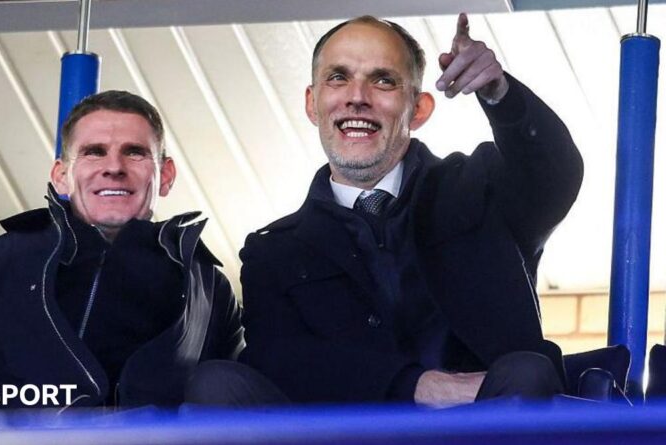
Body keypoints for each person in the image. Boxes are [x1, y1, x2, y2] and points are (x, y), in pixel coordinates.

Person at [186, 13, 582, 407]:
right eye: (338, 77)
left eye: (383, 80)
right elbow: (279, 361)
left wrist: (500, 93)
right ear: (312, 104)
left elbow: (555, 174)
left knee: (527, 372)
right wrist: (417, 386)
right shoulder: (273, 251)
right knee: (217, 382)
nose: (357, 96)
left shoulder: (482, 187)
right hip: (340, 438)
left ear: (419, 109)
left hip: (484, 428)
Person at [0, 91, 244, 409]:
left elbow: (235, 403)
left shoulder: (209, 289)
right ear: (61, 175)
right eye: (93, 152)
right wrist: (19, 403)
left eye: (134, 153)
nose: (113, 167)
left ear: (165, 176)